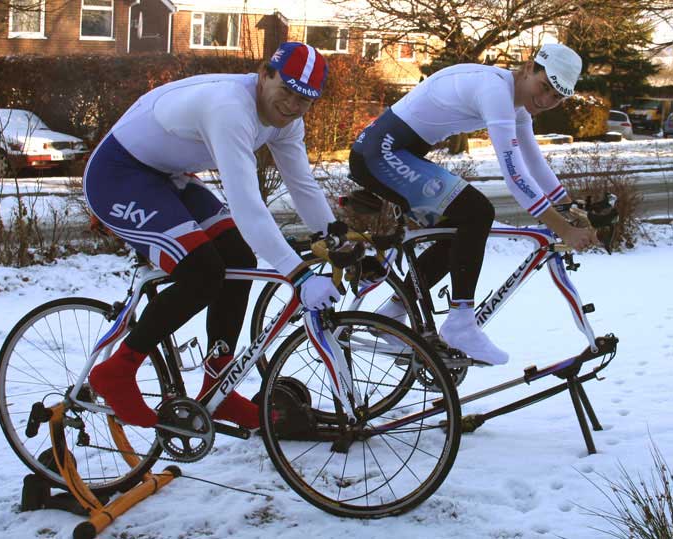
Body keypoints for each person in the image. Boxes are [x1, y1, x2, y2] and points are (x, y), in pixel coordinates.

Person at [84, 42, 342, 429]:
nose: (291, 105)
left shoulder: (287, 122)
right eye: (286, 90)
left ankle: (217, 386)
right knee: (202, 271)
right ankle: (117, 370)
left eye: (305, 99)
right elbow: (248, 206)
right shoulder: (230, 108)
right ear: (263, 74)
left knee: (238, 259)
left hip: (165, 177)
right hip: (118, 176)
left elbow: (302, 185)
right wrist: (299, 275)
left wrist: (338, 239)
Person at [349, 43, 598, 366]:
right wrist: (561, 227)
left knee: (456, 229)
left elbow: (534, 163)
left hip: (394, 153)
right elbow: (513, 172)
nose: (546, 100)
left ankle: (396, 311)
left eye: (557, 97)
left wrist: (569, 208)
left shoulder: (517, 107)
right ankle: (461, 322)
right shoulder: (494, 90)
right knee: (476, 212)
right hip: (380, 154)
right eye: (545, 87)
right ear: (528, 68)